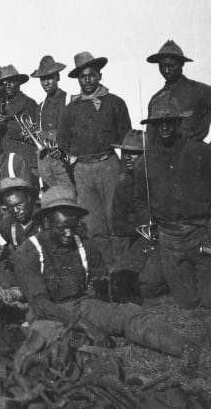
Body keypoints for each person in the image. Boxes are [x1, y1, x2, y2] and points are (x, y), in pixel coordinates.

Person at [14, 186, 211, 369]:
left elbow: (96, 288)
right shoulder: (28, 252)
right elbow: (40, 304)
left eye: (73, 227)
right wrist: (83, 324)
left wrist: (105, 293)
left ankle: (195, 351)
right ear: (45, 223)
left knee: (130, 314)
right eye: (62, 228)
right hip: (50, 314)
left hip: (82, 305)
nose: (69, 234)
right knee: (59, 342)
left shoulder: (85, 246)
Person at [134, 92, 211, 309]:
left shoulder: (201, 152)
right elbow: (141, 201)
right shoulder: (144, 162)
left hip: (203, 235)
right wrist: (150, 227)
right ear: (152, 125)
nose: (164, 126)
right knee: (188, 303)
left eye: (169, 121)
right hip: (169, 241)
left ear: (179, 122)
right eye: (159, 122)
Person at [57, 51, 131, 268]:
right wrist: (71, 165)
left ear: (99, 75)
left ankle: (125, 268)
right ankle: (106, 270)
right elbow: (62, 143)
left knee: (116, 218)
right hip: (82, 170)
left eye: (91, 75)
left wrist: (125, 171)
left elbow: (126, 139)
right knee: (93, 222)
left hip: (109, 166)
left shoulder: (115, 103)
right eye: (82, 77)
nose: (87, 80)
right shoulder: (71, 109)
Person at [146, 40, 211, 151]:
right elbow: (151, 138)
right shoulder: (156, 100)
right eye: (162, 66)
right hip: (165, 161)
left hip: (195, 158)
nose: (167, 70)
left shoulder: (199, 91)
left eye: (172, 65)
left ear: (181, 64)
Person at [110, 130, 169, 299]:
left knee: (146, 286)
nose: (128, 157)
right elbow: (118, 225)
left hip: (166, 243)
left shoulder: (161, 181)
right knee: (118, 279)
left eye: (135, 153)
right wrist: (140, 229)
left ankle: (176, 278)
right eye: (125, 152)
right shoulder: (123, 186)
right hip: (141, 242)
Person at [30, 55, 74, 188]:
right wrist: (33, 134)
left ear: (58, 77)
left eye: (50, 78)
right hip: (47, 160)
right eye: (43, 79)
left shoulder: (69, 100)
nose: (46, 83)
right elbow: (40, 137)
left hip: (64, 158)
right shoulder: (40, 107)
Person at [0, 65, 39, 172]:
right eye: (4, 82)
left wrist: (11, 127)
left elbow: (36, 132)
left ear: (19, 82)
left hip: (26, 158)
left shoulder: (29, 103)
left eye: (11, 81)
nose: (7, 85)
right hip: (6, 159)